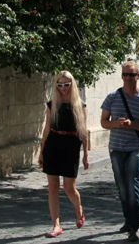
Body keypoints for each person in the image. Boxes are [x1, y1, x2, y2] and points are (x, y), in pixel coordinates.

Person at [101, 61, 139, 242]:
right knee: (122, 189)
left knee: (132, 187)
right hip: (116, 149)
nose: (127, 78)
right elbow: (103, 122)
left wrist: (132, 124)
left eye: (131, 74)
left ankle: (133, 227)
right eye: (125, 74)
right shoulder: (112, 97)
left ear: (138, 76)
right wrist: (117, 124)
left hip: (135, 148)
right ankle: (128, 220)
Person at [38, 71, 90, 238]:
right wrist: (41, 151)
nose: (63, 88)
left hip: (71, 146)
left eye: (66, 84)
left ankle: (78, 208)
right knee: (53, 187)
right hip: (53, 144)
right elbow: (46, 128)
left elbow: (83, 131)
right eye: (59, 85)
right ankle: (56, 225)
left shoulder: (80, 105)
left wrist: (85, 155)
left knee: (69, 188)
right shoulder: (51, 104)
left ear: (72, 84)